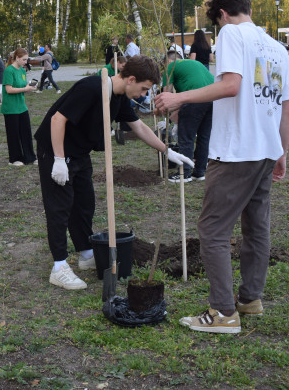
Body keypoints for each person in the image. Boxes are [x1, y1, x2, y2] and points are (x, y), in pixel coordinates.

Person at [155, 0, 289, 333]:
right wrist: (281, 151)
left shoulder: (232, 34)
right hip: (264, 150)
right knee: (256, 228)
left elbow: (231, 85)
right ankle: (250, 299)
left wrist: (180, 99)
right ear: (246, 7)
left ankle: (223, 313)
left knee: (213, 229)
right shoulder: (277, 48)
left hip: (236, 151)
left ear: (221, 15)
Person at [35, 55, 193, 290]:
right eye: (143, 88)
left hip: (79, 152)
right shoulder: (91, 88)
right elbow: (58, 119)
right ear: (131, 79)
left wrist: (166, 151)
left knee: (84, 203)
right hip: (56, 150)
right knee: (60, 206)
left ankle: (86, 252)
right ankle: (59, 267)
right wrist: (58, 160)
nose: (143, 95)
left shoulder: (118, 97)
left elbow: (137, 125)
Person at [161, 50, 215, 182]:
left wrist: (161, 110)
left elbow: (166, 96)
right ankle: (199, 172)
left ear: (168, 61)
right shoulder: (195, 63)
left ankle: (184, 173)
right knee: (204, 137)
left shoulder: (170, 67)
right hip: (213, 98)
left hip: (194, 99)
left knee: (186, 137)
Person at [1, 48, 37, 166]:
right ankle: (15, 159)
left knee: (26, 133)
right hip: (11, 108)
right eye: (24, 59)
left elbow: (22, 86)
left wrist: (29, 88)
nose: (26, 62)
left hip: (22, 106)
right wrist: (25, 89)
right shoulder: (8, 71)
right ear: (17, 58)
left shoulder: (22, 71)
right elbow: (9, 89)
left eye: (27, 59)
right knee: (13, 134)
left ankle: (30, 157)